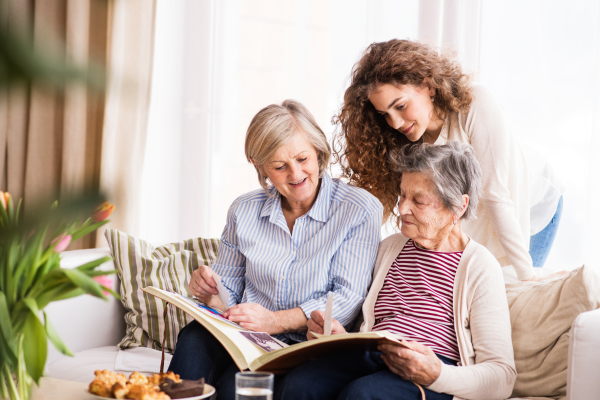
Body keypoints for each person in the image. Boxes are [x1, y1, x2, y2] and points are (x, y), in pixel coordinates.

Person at [168, 100, 383, 399]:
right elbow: (227, 290)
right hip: (248, 337)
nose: (296, 174)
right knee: (193, 337)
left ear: (318, 151)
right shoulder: (243, 210)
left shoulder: (358, 209)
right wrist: (208, 291)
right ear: (261, 167)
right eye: (280, 166)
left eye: (302, 158)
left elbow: (346, 299)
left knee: (233, 389)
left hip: (307, 344)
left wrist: (274, 321)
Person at [275, 142, 516, 400]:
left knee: (364, 395)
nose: (402, 209)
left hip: (430, 370)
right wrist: (339, 335)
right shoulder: (390, 247)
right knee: (300, 384)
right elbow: (365, 327)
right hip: (373, 355)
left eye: (418, 200)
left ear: (458, 206)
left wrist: (437, 375)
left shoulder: (479, 266)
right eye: (402, 195)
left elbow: (502, 376)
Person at [333, 39, 563, 279]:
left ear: (429, 85)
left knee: (516, 292)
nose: (395, 123)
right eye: (385, 114)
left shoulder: (475, 105)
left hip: (533, 204)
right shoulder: (403, 139)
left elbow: (495, 196)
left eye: (400, 106)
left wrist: (529, 278)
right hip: (485, 212)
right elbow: (379, 208)